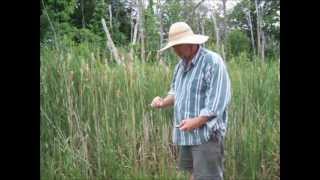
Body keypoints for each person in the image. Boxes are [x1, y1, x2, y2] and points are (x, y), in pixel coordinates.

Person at [150, 22, 231, 180]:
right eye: (173, 47)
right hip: (188, 135)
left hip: (207, 135)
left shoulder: (212, 62)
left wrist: (197, 121)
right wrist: (162, 102)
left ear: (190, 42)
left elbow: (218, 102)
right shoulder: (180, 67)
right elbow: (175, 93)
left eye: (178, 46)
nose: (175, 50)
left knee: (208, 177)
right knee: (194, 174)